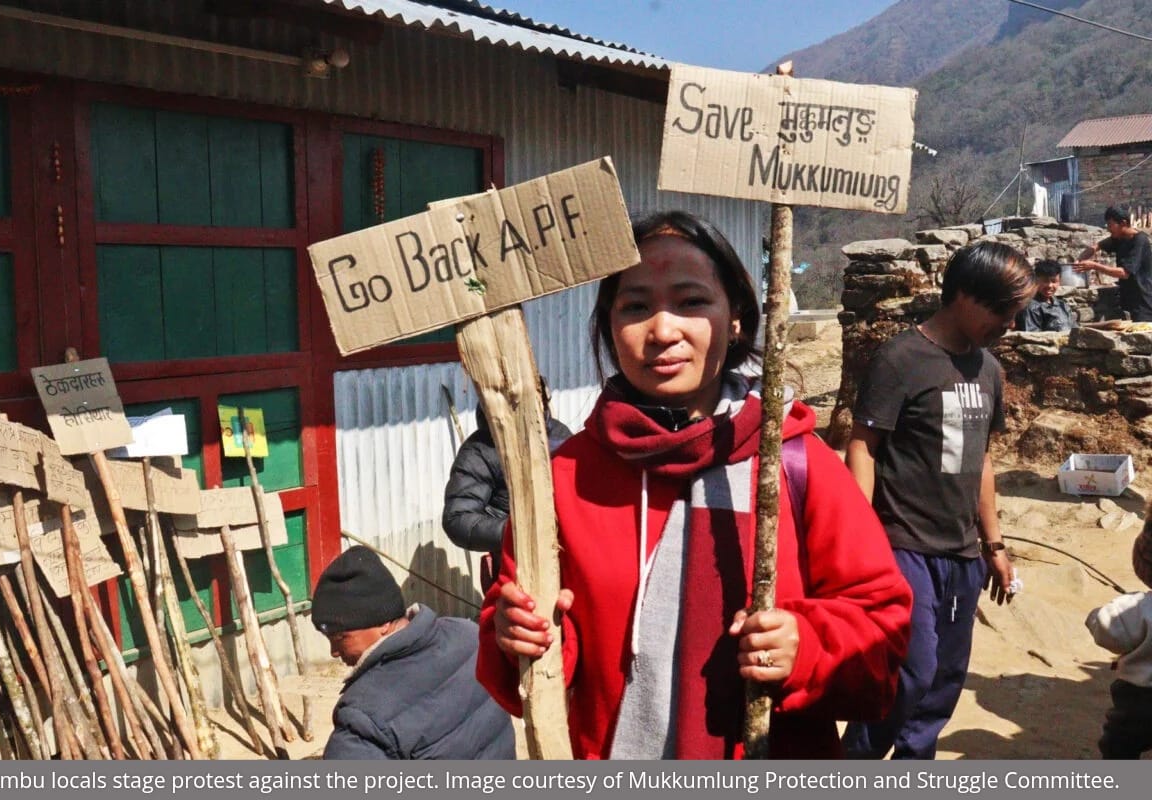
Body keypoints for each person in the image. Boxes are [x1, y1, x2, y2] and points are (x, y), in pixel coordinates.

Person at [476, 210, 913, 759]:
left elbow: (884, 634)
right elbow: (527, 669)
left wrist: (806, 645)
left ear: (735, 319)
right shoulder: (564, 479)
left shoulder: (794, 462)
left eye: (691, 301)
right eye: (635, 306)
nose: (662, 330)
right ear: (610, 326)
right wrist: (521, 637)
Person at [841, 241, 1035, 760]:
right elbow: (863, 445)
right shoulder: (902, 358)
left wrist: (994, 545)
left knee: (944, 682)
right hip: (903, 546)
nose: (1009, 325)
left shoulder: (988, 369)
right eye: (1002, 311)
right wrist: (861, 539)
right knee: (911, 670)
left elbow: (982, 460)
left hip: (963, 553)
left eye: (1015, 315)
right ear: (964, 296)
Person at [311, 546, 515, 759]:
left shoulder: (363, 716)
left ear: (381, 622)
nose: (334, 652)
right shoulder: (470, 634)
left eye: (339, 638)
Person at [442, 380, 572, 593]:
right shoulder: (480, 450)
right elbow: (457, 519)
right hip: (516, 570)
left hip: (566, 562)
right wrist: (518, 530)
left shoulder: (559, 434)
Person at [1085, 519, 1152, 759]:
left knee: (1119, 746)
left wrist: (1093, 617)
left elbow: (1106, 628)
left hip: (1141, 701)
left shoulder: (1136, 609)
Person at [1075, 205, 1152, 322]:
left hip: (1143, 301)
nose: (1108, 229)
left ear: (1123, 223)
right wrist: (1079, 259)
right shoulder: (1118, 238)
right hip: (1126, 298)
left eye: (1111, 225)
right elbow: (1096, 247)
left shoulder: (1139, 241)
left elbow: (1124, 273)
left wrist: (1094, 265)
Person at [1015, 260, 1075, 332]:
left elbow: (1075, 330)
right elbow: (1032, 337)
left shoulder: (1063, 306)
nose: (1050, 285)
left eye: (1054, 281)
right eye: (1045, 281)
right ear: (1036, 281)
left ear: (1059, 281)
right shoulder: (1030, 307)